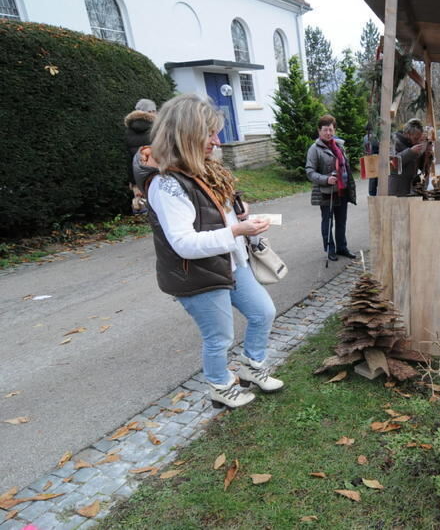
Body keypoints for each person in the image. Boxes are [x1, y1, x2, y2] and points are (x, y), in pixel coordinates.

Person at [132, 94, 284, 409]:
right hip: (196, 274)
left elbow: (217, 213)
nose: (216, 141)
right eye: (209, 134)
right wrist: (237, 231)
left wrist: (240, 216)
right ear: (185, 135)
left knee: (263, 312)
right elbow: (184, 243)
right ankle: (220, 386)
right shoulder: (167, 184)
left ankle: (251, 367)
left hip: (228, 262)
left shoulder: (201, 168)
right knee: (219, 337)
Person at [306, 114, 357, 261]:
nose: (328, 133)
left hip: (342, 190)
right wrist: (326, 179)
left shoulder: (339, 146)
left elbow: (345, 166)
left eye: (331, 129)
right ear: (319, 131)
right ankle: (330, 249)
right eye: (325, 130)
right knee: (328, 223)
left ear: (334, 130)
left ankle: (342, 247)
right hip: (326, 193)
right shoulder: (314, 149)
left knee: (341, 222)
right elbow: (309, 171)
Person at [124, 98, 157, 213]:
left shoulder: (129, 129)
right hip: (154, 169)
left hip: (136, 169)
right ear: (151, 111)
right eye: (154, 110)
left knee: (141, 196)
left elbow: (129, 157)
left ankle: (140, 210)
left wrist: (132, 180)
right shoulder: (155, 128)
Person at [391, 118, 431, 196]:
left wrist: (427, 154)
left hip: (410, 189)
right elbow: (392, 163)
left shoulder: (412, 143)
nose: (417, 141)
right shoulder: (394, 141)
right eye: (415, 138)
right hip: (396, 189)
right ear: (407, 134)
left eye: (419, 139)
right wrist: (410, 152)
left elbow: (421, 167)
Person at [363, 123, 380, 197]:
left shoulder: (365, 137)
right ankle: (374, 194)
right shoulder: (375, 137)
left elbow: (365, 150)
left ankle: (372, 194)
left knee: (372, 178)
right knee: (376, 179)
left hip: (369, 159)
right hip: (376, 159)